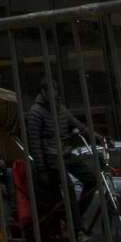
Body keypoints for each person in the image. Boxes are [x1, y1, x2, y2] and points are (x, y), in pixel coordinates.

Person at [26, 81, 97, 220]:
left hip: (65, 153)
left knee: (92, 180)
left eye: (56, 90)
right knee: (68, 187)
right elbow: (34, 142)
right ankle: (76, 228)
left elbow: (78, 124)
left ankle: (77, 216)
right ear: (44, 92)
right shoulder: (36, 112)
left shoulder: (60, 109)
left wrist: (96, 136)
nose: (54, 94)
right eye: (51, 91)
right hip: (50, 158)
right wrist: (42, 168)